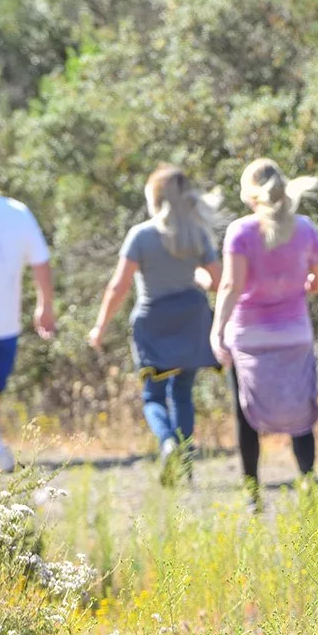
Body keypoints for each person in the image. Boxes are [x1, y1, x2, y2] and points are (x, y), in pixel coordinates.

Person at [210, 159, 318, 506]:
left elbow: (231, 285)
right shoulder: (305, 228)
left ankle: (253, 494)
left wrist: (217, 330)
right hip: (295, 336)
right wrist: (303, 285)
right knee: (300, 413)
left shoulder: (241, 232)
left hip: (250, 338)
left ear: (249, 194)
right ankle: (308, 483)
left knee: (246, 415)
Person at [89, 164, 223, 482]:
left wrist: (100, 326)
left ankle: (167, 442)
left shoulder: (142, 235)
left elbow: (118, 286)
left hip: (154, 320)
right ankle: (185, 464)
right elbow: (219, 282)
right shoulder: (196, 234)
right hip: (192, 318)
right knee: (183, 394)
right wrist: (198, 277)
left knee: (153, 396)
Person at [0, 154, 56, 477]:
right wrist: (45, 305)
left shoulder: (15, 211)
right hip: (5, 321)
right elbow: (41, 263)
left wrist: (45, 306)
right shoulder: (16, 211)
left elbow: (40, 260)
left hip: (3, 324)